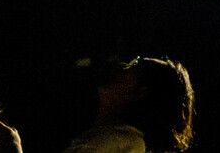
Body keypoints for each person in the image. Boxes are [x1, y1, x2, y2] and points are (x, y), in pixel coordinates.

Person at [61, 57, 194, 153]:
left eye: (134, 64)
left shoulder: (117, 144)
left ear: (142, 91)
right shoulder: (115, 139)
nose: (121, 66)